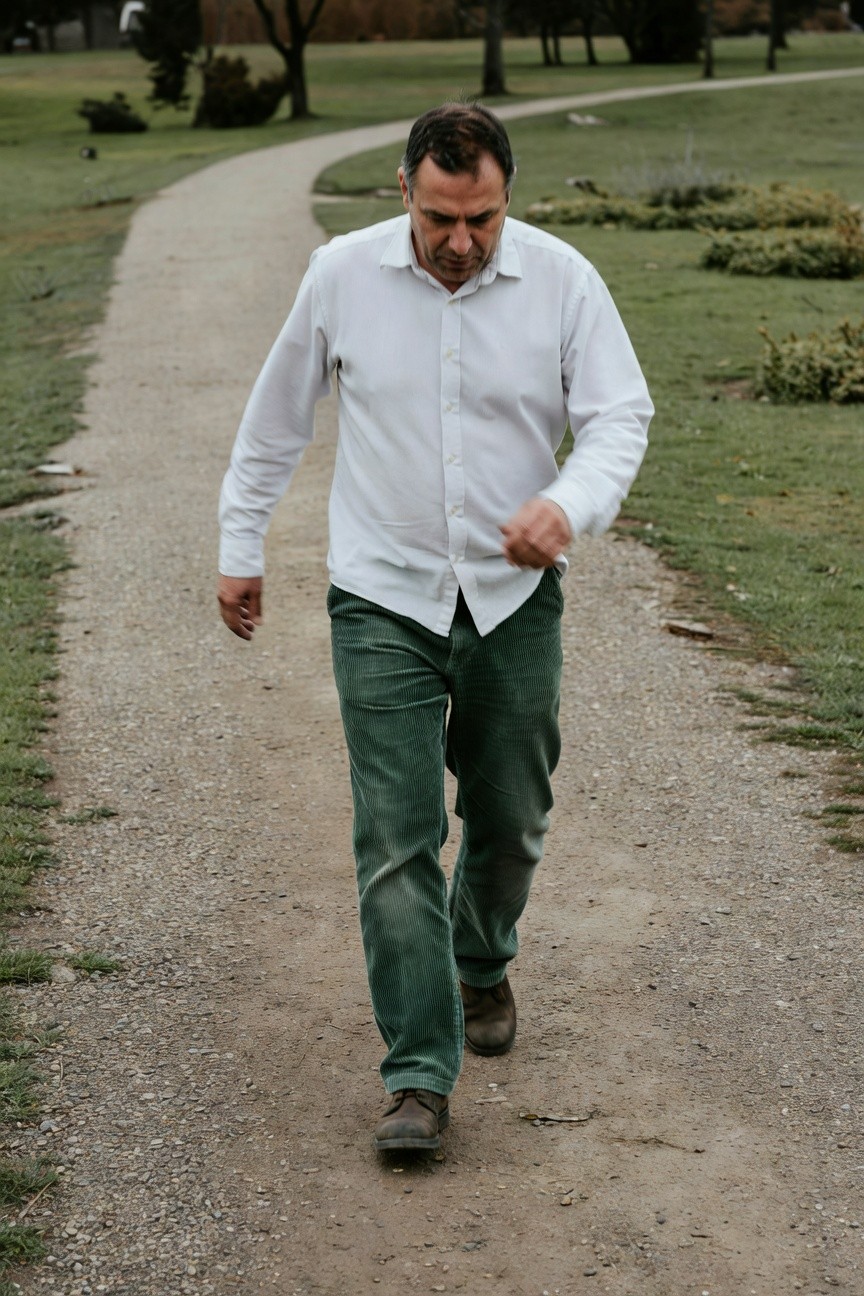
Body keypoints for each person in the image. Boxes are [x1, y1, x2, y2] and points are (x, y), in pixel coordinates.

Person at [218, 102, 653, 1152]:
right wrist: (242, 540)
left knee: (511, 816)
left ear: (508, 200)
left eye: (485, 220)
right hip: (383, 597)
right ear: (405, 193)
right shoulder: (340, 277)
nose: (462, 243)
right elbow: (278, 418)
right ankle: (418, 1074)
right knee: (397, 839)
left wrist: (568, 503)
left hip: (513, 598)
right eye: (442, 220)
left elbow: (619, 415)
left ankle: (481, 959)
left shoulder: (562, 279)